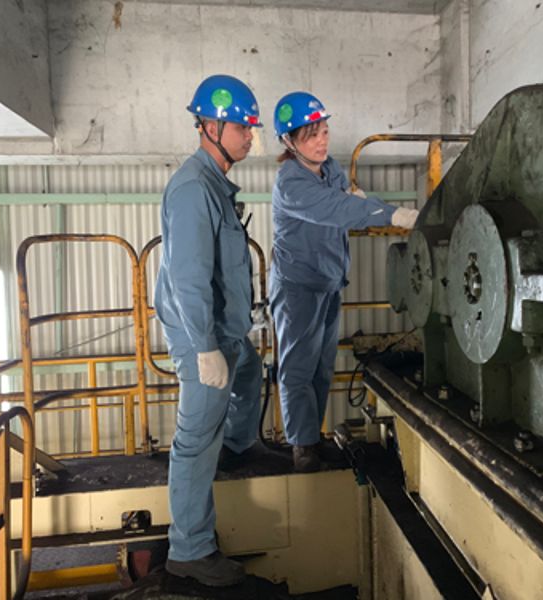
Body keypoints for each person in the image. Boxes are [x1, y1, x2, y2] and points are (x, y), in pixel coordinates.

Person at [269, 91, 419, 473]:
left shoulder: (328, 168)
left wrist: (358, 198)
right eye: (310, 136)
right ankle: (302, 445)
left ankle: (313, 437)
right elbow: (337, 208)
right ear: (289, 141)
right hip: (298, 286)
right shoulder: (290, 183)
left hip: (328, 279)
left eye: (323, 131)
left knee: (321, 366)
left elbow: (345, 196)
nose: (321, 141)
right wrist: (393, 214)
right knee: (298, 368)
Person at [154, 74, 263, 587]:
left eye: (251, 128)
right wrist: (204, 348)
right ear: (211, 127)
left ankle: (238, 446)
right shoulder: (194, 189)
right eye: (242, 128)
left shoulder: (216, 184)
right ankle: (190, 550)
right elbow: (189, 277)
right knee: (196, 438)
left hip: (224, 327)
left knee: (251, 374)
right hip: (201, 333)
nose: (250, 137)